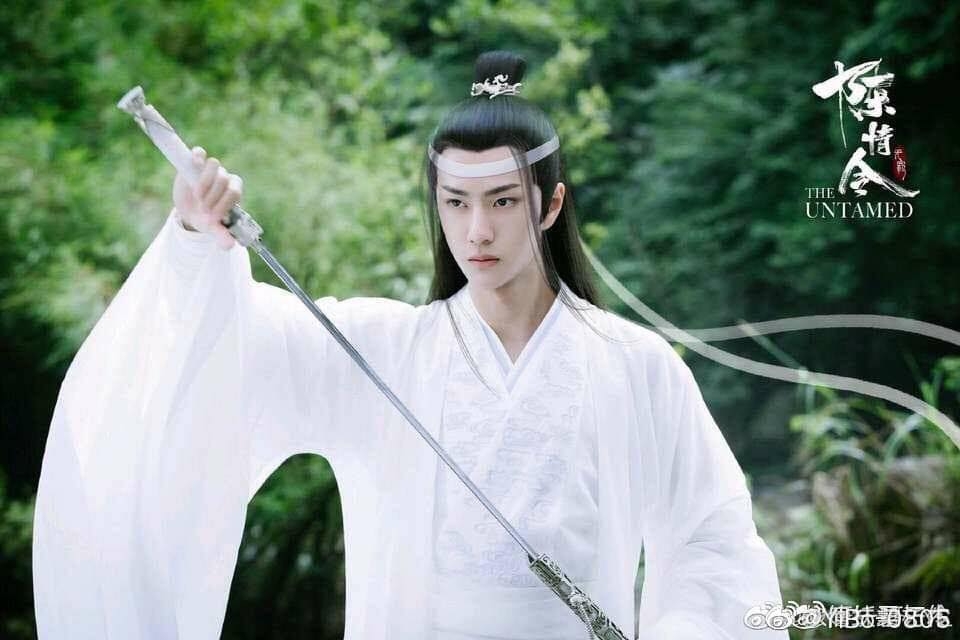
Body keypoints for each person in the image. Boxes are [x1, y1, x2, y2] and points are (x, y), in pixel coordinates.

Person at [33, 51, 787, 639]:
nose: (477, 231)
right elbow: (231, 347)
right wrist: (198, 238)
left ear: (551, 203)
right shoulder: (382, 348)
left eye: (502, 201)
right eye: (455, 202)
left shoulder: (636, 365)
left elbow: (712, 541)